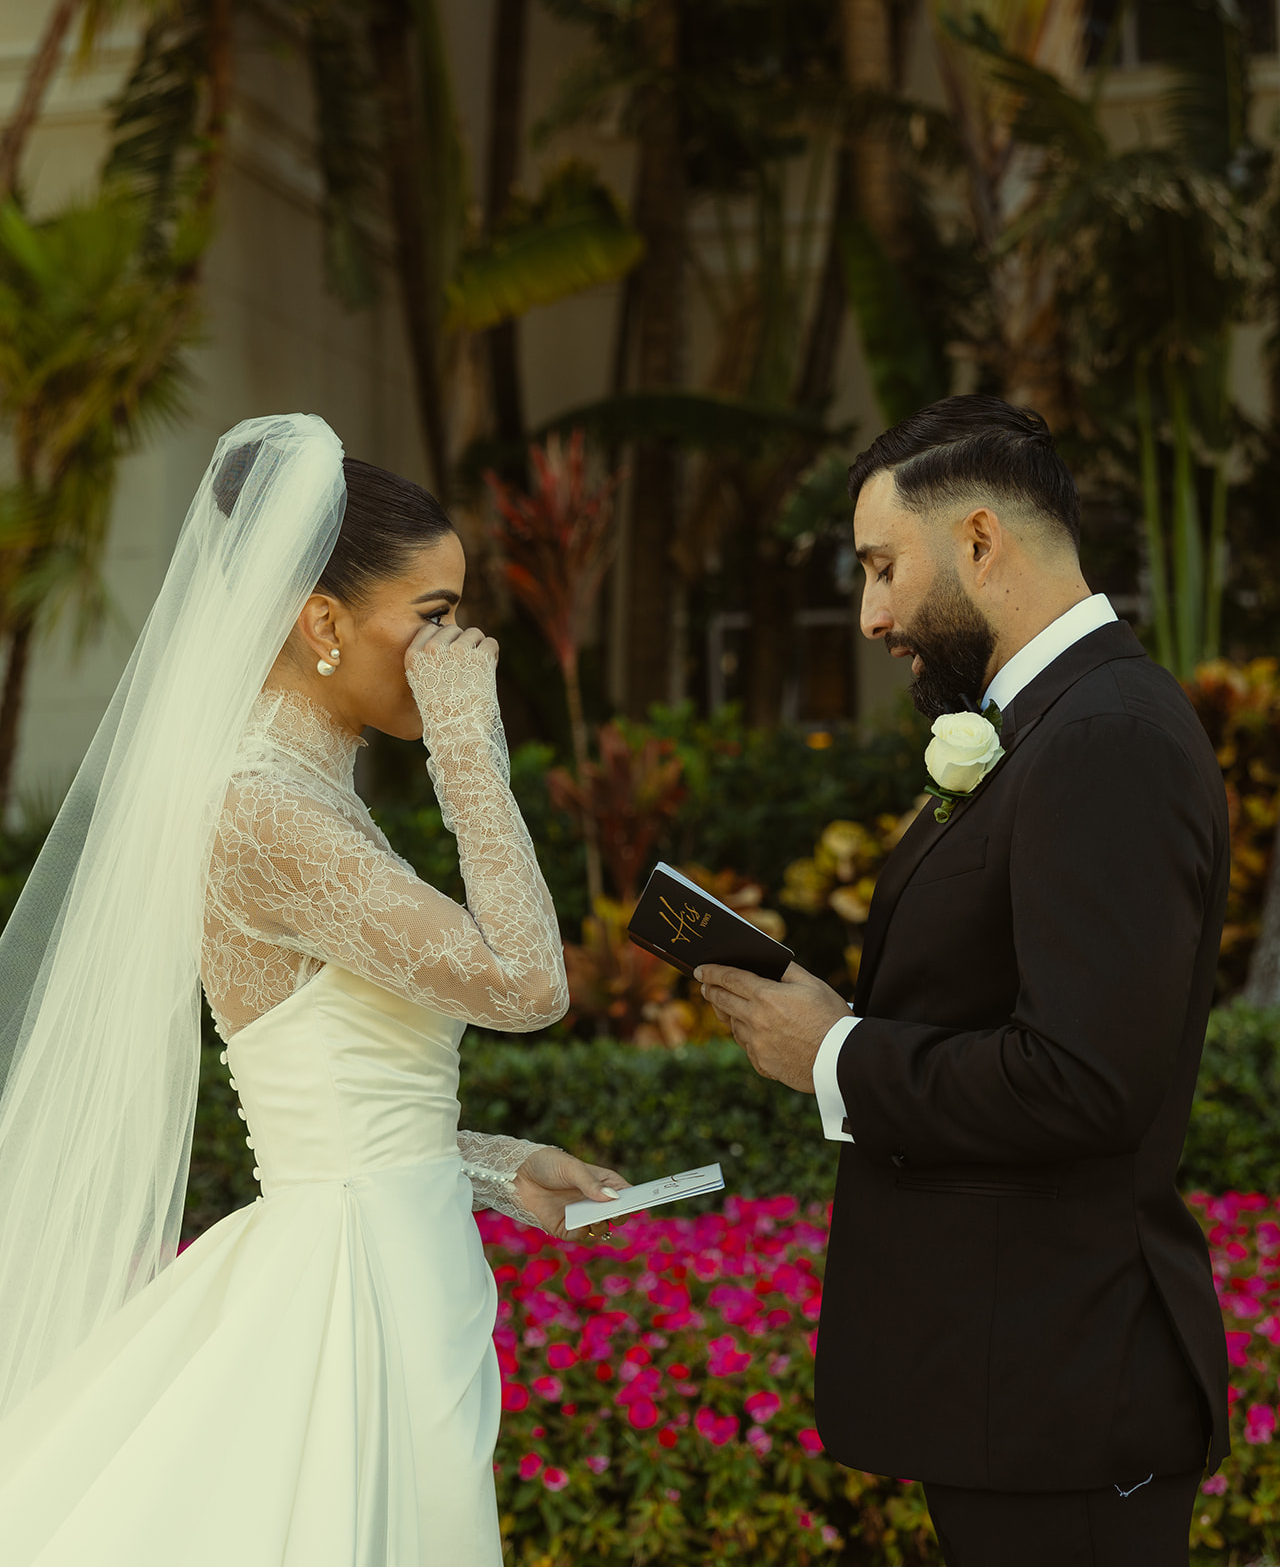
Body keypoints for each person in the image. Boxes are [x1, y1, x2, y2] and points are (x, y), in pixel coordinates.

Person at [0, 413, 625, 1566]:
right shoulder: (265, 811)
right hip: (349, 1299)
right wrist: (469, 749)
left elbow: (336, 1089)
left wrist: (493, 1165)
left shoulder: (308, 796)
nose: (457, 652)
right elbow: (530, 983)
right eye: (433, 619)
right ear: (323, 622)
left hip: (395, 1254)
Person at [698, 395, 1230, 1567]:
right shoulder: (1047, 723)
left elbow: (1081, 1079)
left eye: (882, 567)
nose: (873, 613)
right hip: (1020, 1391)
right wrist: (832, 1012)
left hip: (1068, 1393)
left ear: (979, 539)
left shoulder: (1104, 739)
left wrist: (831, 1056)